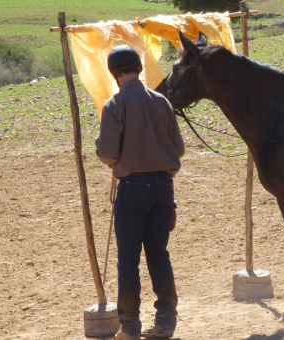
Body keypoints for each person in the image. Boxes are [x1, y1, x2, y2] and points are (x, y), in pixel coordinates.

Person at [95, 45, 185, 339]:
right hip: (163, 187)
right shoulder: (162, 102)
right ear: (138, 69)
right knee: (159, 253)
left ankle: (130, 326)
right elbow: (179, 149)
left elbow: (107, 152)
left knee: (128, 258)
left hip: (133, 189)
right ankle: (166, 320)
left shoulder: (114, 105)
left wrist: (118, 161)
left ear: (114, 73)